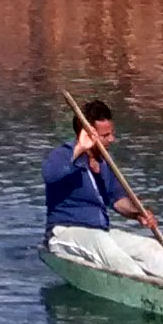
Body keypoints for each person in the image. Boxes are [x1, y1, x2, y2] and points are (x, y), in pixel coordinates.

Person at [44, 101, 132, 236]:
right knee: (109, 252)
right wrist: (80, 148)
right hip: (67, 232)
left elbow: (117, 199)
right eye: (105, 136)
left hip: (100, 233)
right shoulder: (63, 154)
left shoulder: (105, 161)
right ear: (88, 134)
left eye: (111, 133)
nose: (112, 139)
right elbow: (50, 176)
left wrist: (138, 214)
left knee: (151, 248)